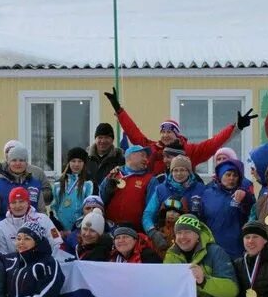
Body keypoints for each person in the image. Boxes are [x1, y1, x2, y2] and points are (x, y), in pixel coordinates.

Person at [103, 87, 256, 176]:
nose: (165, 135)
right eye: (163, 131)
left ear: (177, 134)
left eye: (170, 131)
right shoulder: (151, 148)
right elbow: (133, 131)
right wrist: (118, 109)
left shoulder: (190, 151)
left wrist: (237, 126)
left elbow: (215, 142)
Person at [143, 154, 206, 252]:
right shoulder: (161, 189)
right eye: (175, 170)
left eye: (183, 170)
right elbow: (148, 214)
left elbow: (207, 214)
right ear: (171, 171)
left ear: (189, 172)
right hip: (166, 238)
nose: (179, 173)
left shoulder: (200, 188)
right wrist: (152, 232)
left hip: (193, 239)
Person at [200, 158, 254, 258]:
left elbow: (251, 211)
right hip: (212, 247)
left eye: (235, 175)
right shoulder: (207, 194)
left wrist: (246, 197)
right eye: (228, 175)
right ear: (220, 176)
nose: (232, 178)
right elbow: (201, 219)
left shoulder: (242, 194)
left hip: (236, 249)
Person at [0, 187, 63, 257]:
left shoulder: (43, 219)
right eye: (13, 202)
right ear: (9, 205)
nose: (17, 206)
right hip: (15, 266)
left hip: (43, 264)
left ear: (28, 203)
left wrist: (50, 262)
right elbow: (1, 254)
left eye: (21, 201)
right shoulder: (1, 226)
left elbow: (56, 240)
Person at [100, 145, 153, 227]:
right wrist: (108, 189)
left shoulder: (150, 180)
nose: (146, 159)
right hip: (110, 228)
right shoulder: (114, 174)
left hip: (135, 231)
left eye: (146, 157)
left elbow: (151, 209)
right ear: (131, 156)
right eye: (143, 155)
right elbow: (101, 199)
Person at [0, 143, 44, 218]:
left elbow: (42, 212)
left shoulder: (35, 184)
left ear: (26, 163)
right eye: (14, 160)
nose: (18, 163)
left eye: (21, 160)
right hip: (5, 228)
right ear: (8, 162)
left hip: (31, 228)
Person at [51, 147, 94, 233]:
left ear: (84, 164)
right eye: (73, 161)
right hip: (61, 231)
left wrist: (76, 228)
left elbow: (90, 209)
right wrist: (59, 228)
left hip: (80, 230)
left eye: (80, 161)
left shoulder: (89, 184)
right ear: (68, 163)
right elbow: (53, 208)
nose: (76, 164)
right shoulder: (58, 184)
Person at [85, 122, 125, 191]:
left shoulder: (120, 159)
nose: (103, 141)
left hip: (111, 200)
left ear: (112, 140)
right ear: (95, 139)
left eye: (107, 137)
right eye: (100, 137)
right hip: (89, 200)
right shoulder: (85, 158)